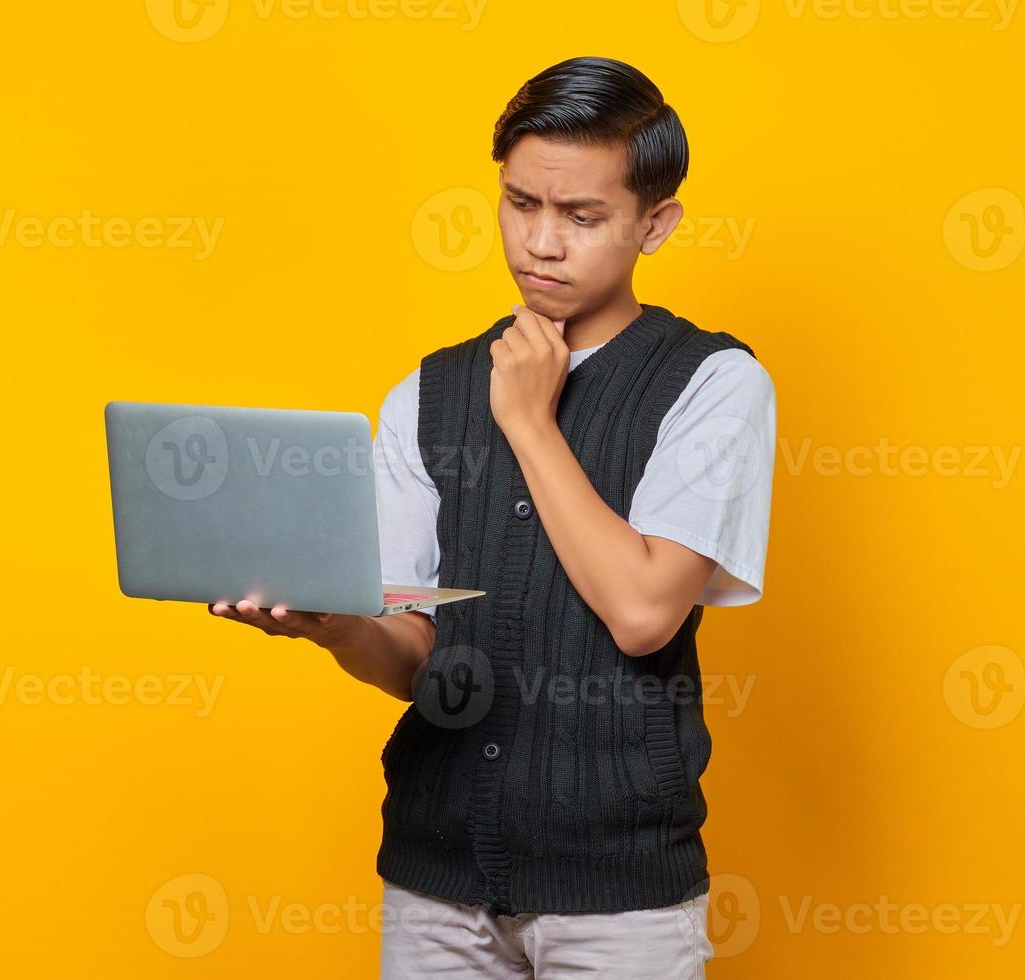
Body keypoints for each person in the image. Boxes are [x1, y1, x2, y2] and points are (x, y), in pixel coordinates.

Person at [209, 55, 776, 979]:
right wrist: (336, 626)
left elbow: (642, 615)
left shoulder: (712, 385)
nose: (541, 244)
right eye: (521, 205)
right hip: (435, 883)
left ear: (655, 224)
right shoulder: (428, 393)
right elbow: (415, 657)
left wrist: (526, 418)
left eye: (583, 217)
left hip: (620, 896)